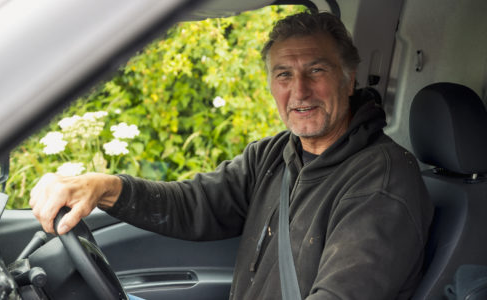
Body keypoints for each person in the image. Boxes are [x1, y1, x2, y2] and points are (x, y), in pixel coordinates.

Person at [30, 12, 434, 299]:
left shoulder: (382, 183)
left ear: (348, 81)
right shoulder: (276, 155)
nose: (299, 92)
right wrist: (102, 186)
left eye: (316, 71)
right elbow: (195, 204)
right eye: (283, 75)